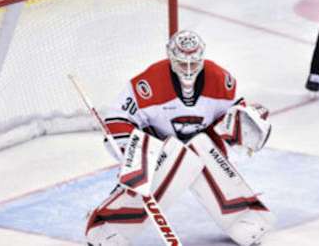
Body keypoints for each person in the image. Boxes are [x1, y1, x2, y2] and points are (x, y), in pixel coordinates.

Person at [85, 30, 275, 246]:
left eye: (193, 63)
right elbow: (117, 119)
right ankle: (107, 227)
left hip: (202, 148)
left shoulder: (221, 80)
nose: (187, 69)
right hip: (160, 152)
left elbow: (231, 121)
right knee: (165, 163)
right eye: (181, 63)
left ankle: (244, 218)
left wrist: (246, 123)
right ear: (170, 57)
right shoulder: (147, 83)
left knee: (201, 148)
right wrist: (135, 157)